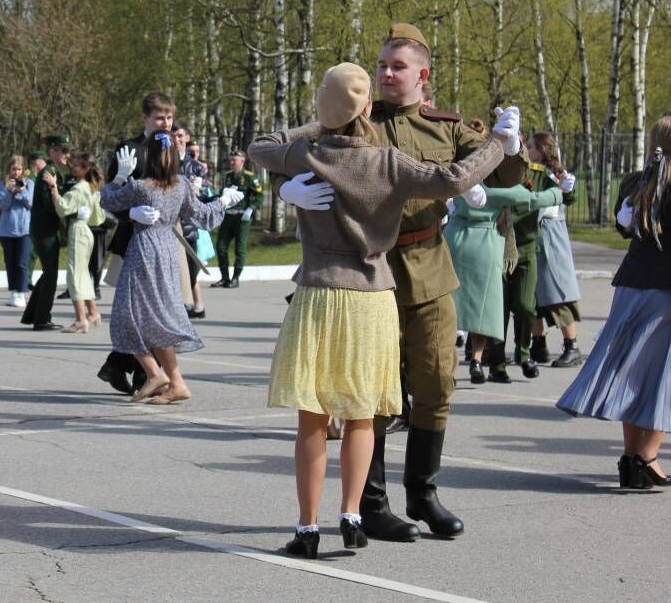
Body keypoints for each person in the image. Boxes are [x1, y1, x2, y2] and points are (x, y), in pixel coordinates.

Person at [249, 62, 510, 557]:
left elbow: (260, 145)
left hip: (319, 295)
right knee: (363, 413)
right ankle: (351, 515)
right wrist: (497, 144)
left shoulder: (306, 152)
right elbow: (455, 178)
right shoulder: (387, 162)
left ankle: (307, 529)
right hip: (372, 296)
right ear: (367, 107)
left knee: (313, 416)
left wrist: (318, 131)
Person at [557, 114, 671, 490]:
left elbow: (624, 228)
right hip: (666, 289)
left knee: (633, 370)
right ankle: (648, 457)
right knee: (662, 377)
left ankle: (629, 458)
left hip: (632, 283)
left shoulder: (636, 182)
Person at [101, 129, 239, 404]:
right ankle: (175, 383)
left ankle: (156, 375)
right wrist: (223, 201)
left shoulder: (141, 186)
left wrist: (118, 176)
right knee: (157, 319)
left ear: (148, 157)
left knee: (124, 319)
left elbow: (107, 199)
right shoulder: (181, 185)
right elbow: (202, 216)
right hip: (167, 252)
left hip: (144, 251)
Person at [444, 125, 565, 384]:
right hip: (483, 243)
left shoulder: (459, 171)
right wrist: (557, 194)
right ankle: (473, 363)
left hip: (465, 240)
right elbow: (526, 199)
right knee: (474, 309)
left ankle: (475, 362)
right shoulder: (479, 177)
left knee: (477, 310)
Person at [95, 94, 176, 395]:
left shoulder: (170, 146)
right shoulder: (129, 150)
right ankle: (142, 374)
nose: (165, 123)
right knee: (143, 310)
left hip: (163, 238)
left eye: (168, 118)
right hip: (134, 239)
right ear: (145, 118)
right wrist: (129, 212)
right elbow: (110, 198)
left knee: (152, 309)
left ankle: (120, 366)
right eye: (159, 118)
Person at [527, 132, 583, 368]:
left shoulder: (554, 175)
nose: (526, 149)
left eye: (530, 146)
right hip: (535, 238)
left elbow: (568, 197)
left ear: (540, 150)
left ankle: (572, 346)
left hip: (550, 239)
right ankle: (538, 343)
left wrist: (566, 190)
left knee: (557, 294)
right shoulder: (532, 172)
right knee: (534, 296)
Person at [21, 134, 71, 332]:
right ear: (52, 151)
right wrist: (66, 206)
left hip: (46, 229)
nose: (67, 154)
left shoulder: (53, 171)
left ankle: (33, 314)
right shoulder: (47, 173)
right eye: (63, 150)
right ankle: (42, 319)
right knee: (50, 275)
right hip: (45, 231)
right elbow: (49, 206)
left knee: (48, 273)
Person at [53, 152, 103, 333]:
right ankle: (93, 312)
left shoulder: (78, 189)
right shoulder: (91, 187)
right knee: (83, 273)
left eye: (77, 166)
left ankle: (80, 319)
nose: (73, 168)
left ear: (86, 169)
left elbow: (62, 208)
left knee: (74, 275)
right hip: (87, 231)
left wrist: (54, 189)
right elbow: (98, 218)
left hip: (78, 230)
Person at [211, 149, 263, 288]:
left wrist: (250, 208)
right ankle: (225, 278)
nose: (232, 162)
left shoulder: (249, 177)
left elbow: (259, 196)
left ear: (242, 162)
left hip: (242, 217)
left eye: (235, 160)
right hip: (228, 216)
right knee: (221, 246)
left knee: (239, 249)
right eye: (231, 160)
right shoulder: (227, 176)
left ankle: (235, 278)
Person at [175, 125, 209, 318]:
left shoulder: (196, 167)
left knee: (190, 270)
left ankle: (194, 305)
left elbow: (203, 196)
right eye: (173, 136)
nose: (177, 139)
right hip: (168, 226)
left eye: (180, 136)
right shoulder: (163, 163)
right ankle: (182, 308)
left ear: (187, 137)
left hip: (188, 228)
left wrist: (199, 190)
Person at [0, 154, 33, 307]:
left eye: (19, 169)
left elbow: (30, 203)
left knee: (22, 263)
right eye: (13, 169)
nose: (16, 172)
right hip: (7, 230)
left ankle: (22, 292)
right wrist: (11, 191)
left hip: (24, 230)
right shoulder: (2, 184)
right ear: (9, 169)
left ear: (23, 170)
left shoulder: (29, 183)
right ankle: (13, 292)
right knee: (10, 262)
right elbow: (3, 205)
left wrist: (21, 191)